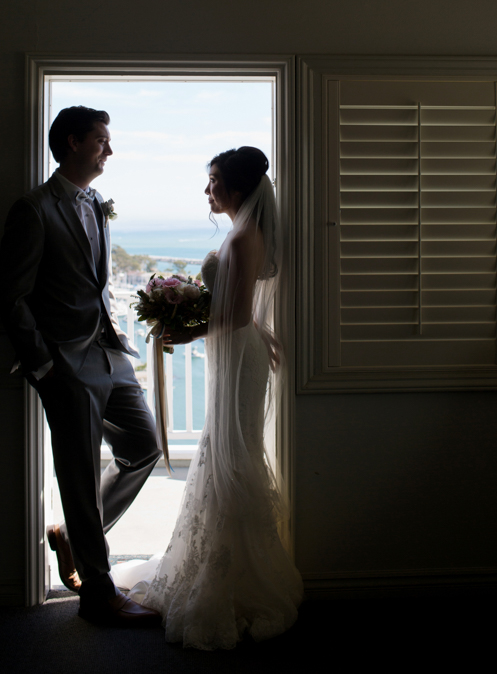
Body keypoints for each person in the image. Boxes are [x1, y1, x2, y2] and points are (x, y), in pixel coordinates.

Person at [118, 147, 303, 650]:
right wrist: (227, 327)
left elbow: (235, 316)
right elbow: (244, 311)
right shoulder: (246, 232)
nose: (208, 191)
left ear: (238, 190)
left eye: (215, 181)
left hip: (236, 357)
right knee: (227, 453)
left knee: (231, 456)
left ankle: (233, 577)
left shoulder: (244, 237)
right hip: (240, 355)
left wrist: (186, 332)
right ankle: (227, 564)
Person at [0, 106, 161, 626]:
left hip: (110, 353)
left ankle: (71, 535)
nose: (108, 150)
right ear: (72, 143)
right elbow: (12, 295)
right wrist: (44, 366)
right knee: (79, 476)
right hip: (65, 363)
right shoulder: (34, 208)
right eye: (101, 141)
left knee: (144, 446)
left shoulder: (94, 202)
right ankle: (98, 593)